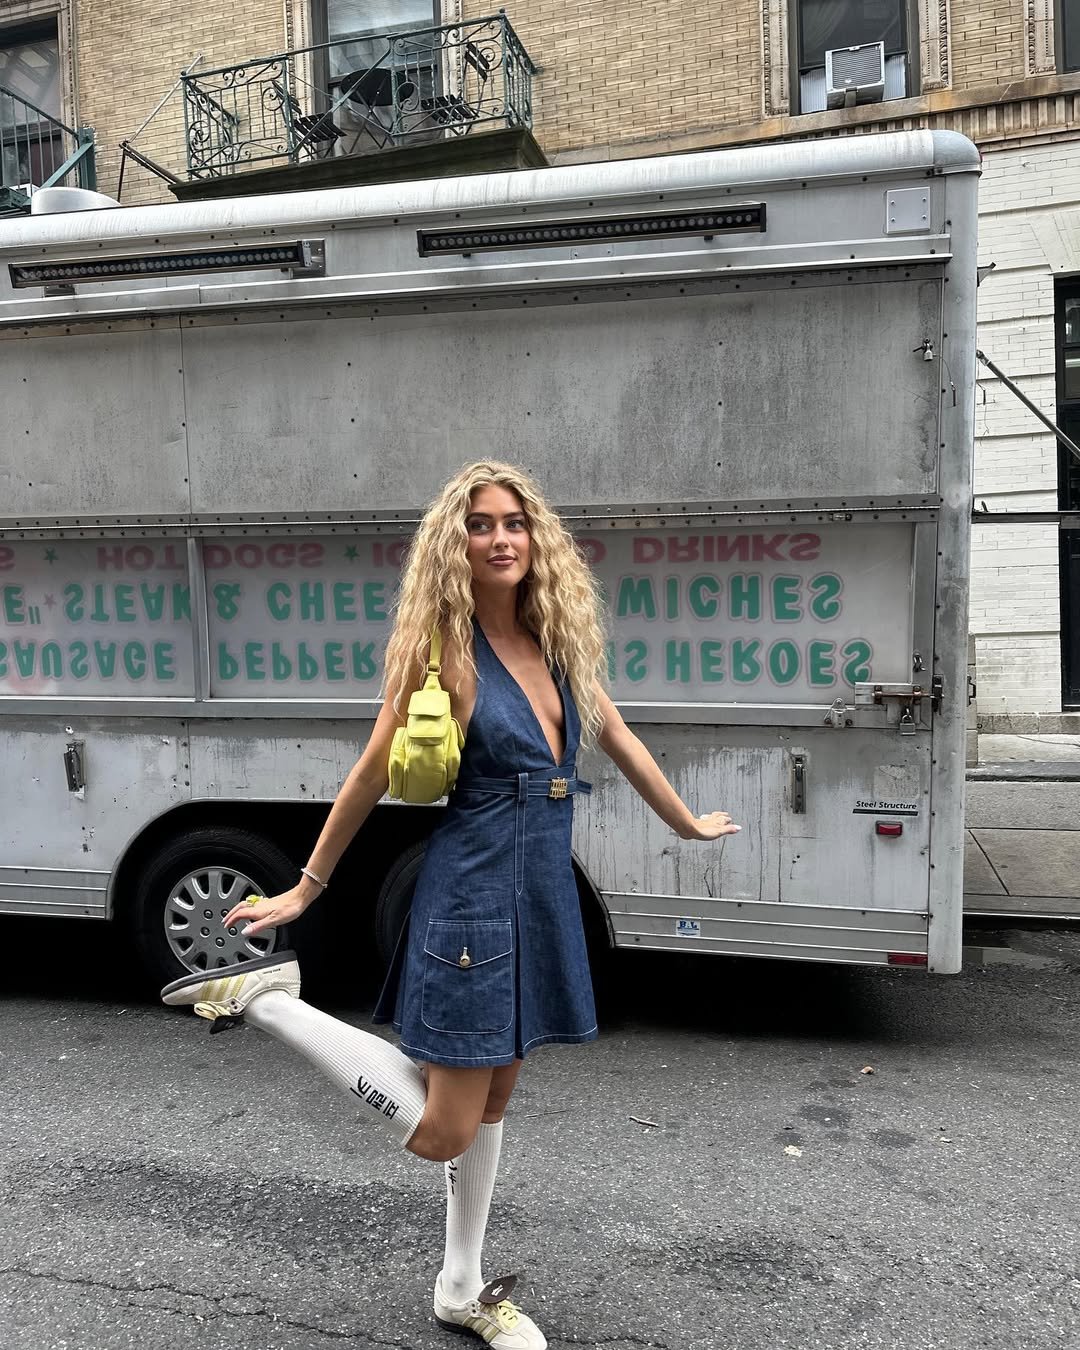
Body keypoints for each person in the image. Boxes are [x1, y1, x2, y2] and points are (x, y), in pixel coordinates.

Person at [162, 460, 740, 1348]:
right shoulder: (443, 653)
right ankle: (272, 1004)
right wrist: (304, 889)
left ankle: (460, 1289)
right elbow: (369, 771)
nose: (501, 537)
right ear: (454, 544)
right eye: (479, 525)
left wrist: (688, 824)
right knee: (442, 1131)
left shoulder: (555, 642)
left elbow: (616, 736)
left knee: (495, 1101)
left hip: (539, 891)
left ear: (536, 537)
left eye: (514, 522)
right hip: (471, 897)